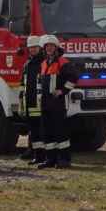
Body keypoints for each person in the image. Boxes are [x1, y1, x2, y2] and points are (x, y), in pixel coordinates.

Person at [38, 34, 78, 169]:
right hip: (45, 102)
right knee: (47, 132)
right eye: (47, 46)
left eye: (51, 46)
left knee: (60, 131)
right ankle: (50, 159)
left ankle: (64, 159)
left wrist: (62, 91)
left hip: (58, 102)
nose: (49, 48)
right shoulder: (44, 63)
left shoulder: (63, 62)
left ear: (56, 48)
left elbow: (73, 78)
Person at [19, 35, 46, 165]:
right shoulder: (27, 64)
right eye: (30, 48)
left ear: (40, 48)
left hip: (40, 102)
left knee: (41, 130)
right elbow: (22, 84)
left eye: (35, 47)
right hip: (30, 102)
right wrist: (21, 102)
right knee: (34, 131)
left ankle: (44, 156)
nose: (33, 50)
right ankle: (37, 156)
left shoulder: (44, 63)